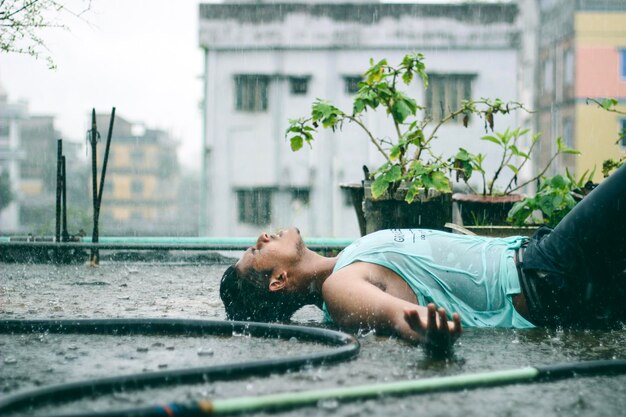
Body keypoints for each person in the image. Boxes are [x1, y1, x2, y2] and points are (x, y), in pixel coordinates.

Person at [220, 164, 626, 355]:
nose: (262, 237)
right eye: (257, 251)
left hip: (545, 269)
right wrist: (425, 331)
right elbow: (398, 316)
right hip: (544, 278)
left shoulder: (345, 260)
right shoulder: (338, 288)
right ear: (277, 280)